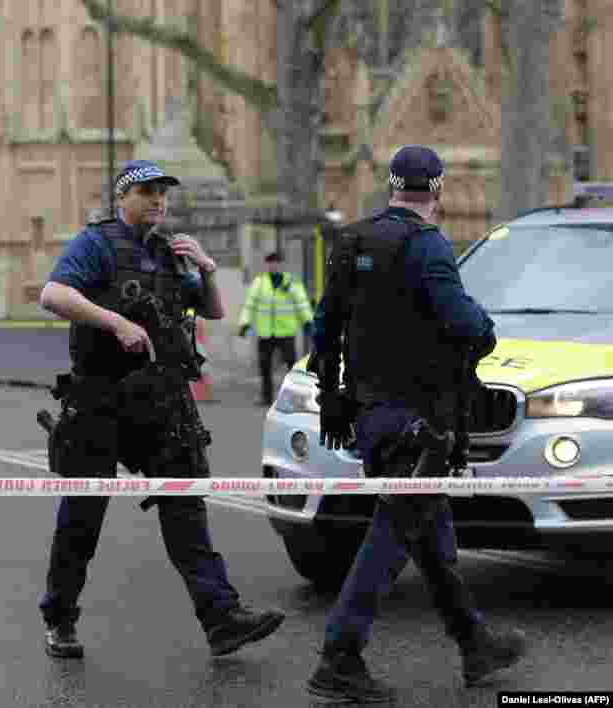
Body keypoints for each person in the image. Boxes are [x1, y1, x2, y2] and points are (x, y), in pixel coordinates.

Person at [36, 159, 285, 660]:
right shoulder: (97, 244)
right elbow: (53, 294)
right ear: (122, 197)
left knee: (186, 509)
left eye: (163, 193)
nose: (158, 200)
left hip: (162, 403)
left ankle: (221, 618)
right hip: (100, 400)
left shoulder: (169, 251)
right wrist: (115, 323)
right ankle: (60, 619)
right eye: (147, 192)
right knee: (82, 519)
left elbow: (213, 309)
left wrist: (207, 269)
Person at [305, 145, 527, 702]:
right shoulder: (427, 245)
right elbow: (466, 325)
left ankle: (474, 643)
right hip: (419, 423)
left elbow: (324, 328)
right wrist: (485, 328)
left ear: (391, 186)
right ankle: (339, 656)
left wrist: (330, 395)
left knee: (429, 535)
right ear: (438, 189)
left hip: (371, 417)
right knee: (390, 536)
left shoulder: (353, 240)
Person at [238, 252, 314, 406]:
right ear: (267, 265)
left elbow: (302, 304)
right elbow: (250, 305)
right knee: (264, 366)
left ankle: (295, 397)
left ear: (282, 265)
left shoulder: (292, 282)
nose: (274, 266)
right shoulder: (259, 282)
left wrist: (307, 322)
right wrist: (244, 323)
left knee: (291, 366)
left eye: (277, 263)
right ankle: (266, 397)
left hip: (286, 332)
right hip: (265, 333)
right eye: (271, 263)